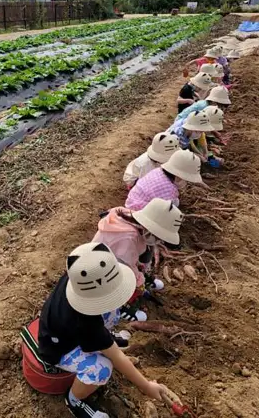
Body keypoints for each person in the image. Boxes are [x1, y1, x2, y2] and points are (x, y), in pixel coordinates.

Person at [38, 242, 172, 418]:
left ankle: (102, 341)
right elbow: (116, 356)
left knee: (112, 311)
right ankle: (75, 400)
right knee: (102, 367)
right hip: (59, 348)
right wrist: (146, 386)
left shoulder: (83, 276)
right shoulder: (86, 321)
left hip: (73, 329)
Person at [93, 198, 183, 294]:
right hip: (103, 267)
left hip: (119, 255)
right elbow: (128, 267)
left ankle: (145, 279)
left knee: (146, 255)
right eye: (158, 236)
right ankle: (123, 305)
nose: (159, 240)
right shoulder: (128, 239)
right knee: (125, 283)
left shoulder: (133, 217)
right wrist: (140, 282)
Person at [125, 149, 203, 211]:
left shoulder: (159, 171)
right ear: (178, 175)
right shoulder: (169, 189)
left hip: (132, 201)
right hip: (138, 210)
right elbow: (167, 210)